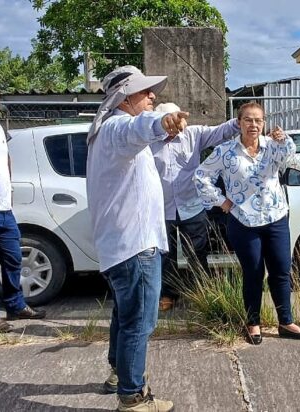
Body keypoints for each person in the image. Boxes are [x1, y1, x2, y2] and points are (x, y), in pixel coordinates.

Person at [86, 66, 188, 412]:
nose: (153, 96)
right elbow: (140, 126)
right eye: (145, 92)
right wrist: (161, 123)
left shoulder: (108, 131)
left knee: (124, 315)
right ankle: (132, 398)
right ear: (124, 97)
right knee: (139, 322)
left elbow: (142, 131)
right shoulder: (117, 127)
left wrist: (160, 127)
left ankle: (118, 374)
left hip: (125, 244)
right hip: (135, 245)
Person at [194, 102, 300, 345]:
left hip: (275, 217)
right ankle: (253, 323)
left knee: (281, 270)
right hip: (243, 221)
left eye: (258, 120)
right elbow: (201, 176)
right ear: (238, 123)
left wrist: (284, 139)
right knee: (253, 273)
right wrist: (221, 201)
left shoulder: (271, 146)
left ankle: (286, 322)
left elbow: (288, 156)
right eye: (248, 120)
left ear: (264, 123)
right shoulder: (226, 151)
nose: (253, 124)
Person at [150, 102, 240, 311]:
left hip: (192, 206)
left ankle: (202, 291)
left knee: (198, 252)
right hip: (163, 209)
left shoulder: (194, 134)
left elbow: (221, 132)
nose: (176, 127)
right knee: (166, 255)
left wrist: (240, 120)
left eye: (178, 121)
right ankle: (169, 294)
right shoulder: (150, 141)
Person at [0, 80, 46, 334]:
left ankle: (15, 305)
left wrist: (8, 188)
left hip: (5, 209)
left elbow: (4, 158)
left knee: (13, 259)